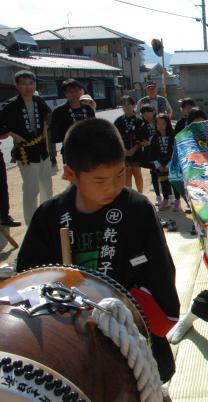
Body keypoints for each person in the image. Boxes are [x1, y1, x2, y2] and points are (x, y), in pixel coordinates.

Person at [15, 118, 180, 386]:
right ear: (70, 174)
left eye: (119, 175)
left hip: (128, 331)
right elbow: (28, 277)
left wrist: (136, 309)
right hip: (71, 336)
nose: (113, 187)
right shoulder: (50, 215)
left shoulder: (137, 209)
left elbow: (160, 269)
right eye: (100, 180)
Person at [0, 70, 52, 225]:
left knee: (47, 187)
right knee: (31, 189)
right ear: (17, 86)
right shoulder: (10, 106)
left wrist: (45, 128)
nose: (28, 87)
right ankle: (31, 223)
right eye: (23, 84)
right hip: (26, 152)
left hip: (42, 150)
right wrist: (11, 133)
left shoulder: (39, 101)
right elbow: (2, 126)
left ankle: (47, 218)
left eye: (31, 83)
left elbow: (48, 116)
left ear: (35, 84)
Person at [49, 79, 96, 164]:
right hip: (70, 149)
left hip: (88, 149)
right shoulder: (59, 111)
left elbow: (94, 129)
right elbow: (55, 135)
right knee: (73, 175)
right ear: (65, 93)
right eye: (70, 92)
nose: (74, 94)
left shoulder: (88, 109)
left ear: (81, 91)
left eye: (76, 91)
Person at [114, 95, 145, 193]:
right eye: (123, 104)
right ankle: (130, 196)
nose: (126, 107)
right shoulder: (118, 121)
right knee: (127, 174)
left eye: (128, 104)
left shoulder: (139, 121)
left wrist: (134, 149)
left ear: (133, 106)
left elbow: (143, 138)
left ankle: (140, 195)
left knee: (137, 173)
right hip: (124, 152)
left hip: (136, 150)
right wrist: (124, 150)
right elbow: (115, 138)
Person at [151, 113, 180, 212]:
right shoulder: (154, 138)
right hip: (160, 163)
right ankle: (166, 200)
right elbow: (152, 153)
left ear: (168, 124)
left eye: (163, 123)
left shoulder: (173, 137)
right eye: (158, 124)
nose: (160, 126)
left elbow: (175, 152)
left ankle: (177, 200)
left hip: (172, 162)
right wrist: (158, 165)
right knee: (163, 180)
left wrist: (168, 165)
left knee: (173, 181)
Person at [138, 105, 161, 205]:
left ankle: (170, 196)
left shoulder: (160, 122)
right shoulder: (143, 127)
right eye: (144, 113)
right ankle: (158, 196)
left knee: (165, 173)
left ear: (153, 111)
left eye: (149, 112)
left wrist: (150, 141)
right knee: (154, 174)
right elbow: (141, 140)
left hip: (162, 152)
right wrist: (144, 143)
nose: (147, 115)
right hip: (151, 154)